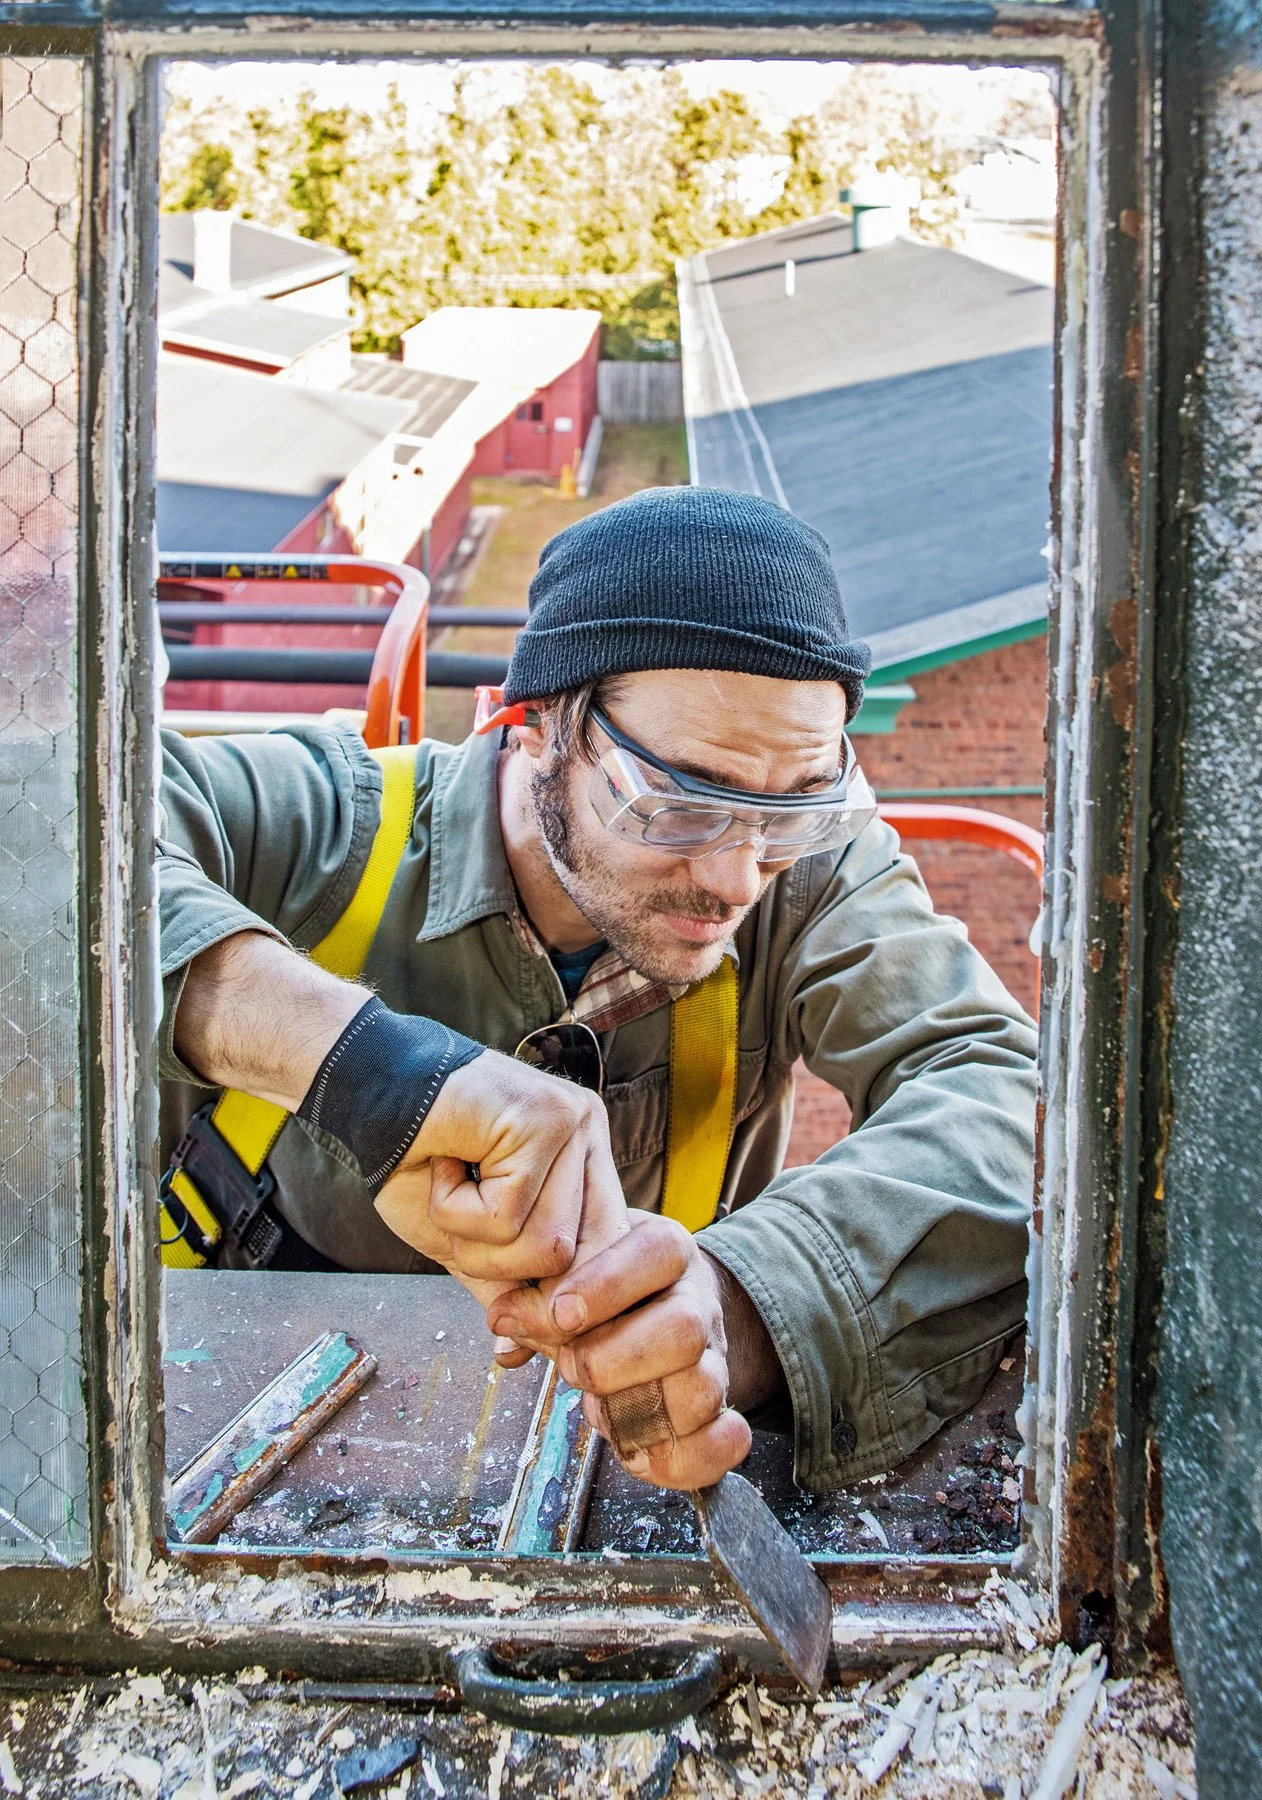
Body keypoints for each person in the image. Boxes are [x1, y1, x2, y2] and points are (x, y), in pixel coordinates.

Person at [156, 486, 1036, 1495]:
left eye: (792, 816)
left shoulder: (810, 876)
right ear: (534, 729)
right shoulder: (324, 827)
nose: (738, 880)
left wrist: (740, 1304)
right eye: (672, 805)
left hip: (624, 1471)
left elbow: (1003, 1093)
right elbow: (52, 835)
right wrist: (378, 1077)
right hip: (221, 1434)